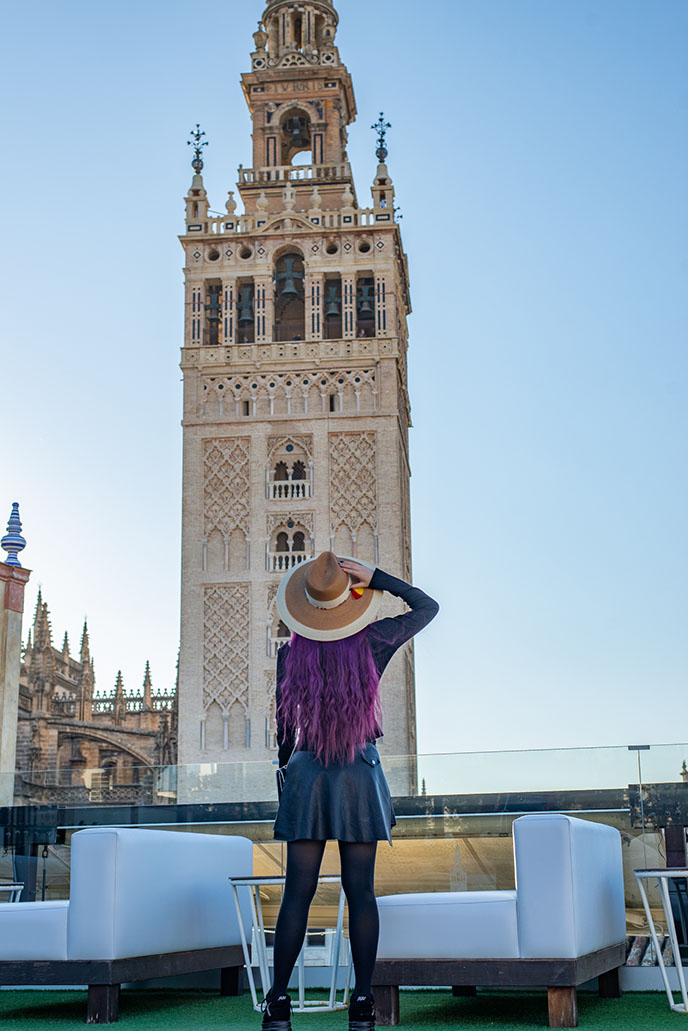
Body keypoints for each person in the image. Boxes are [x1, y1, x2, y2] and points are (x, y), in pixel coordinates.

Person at [261, 552, 439, 1031]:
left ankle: (278, 1003)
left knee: (297, 892)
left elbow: (283, 731)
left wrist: (287, 772)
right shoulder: (373, 642)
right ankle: (362, 1002)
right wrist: (377, 577)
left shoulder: (288, 654)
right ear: (349, 604)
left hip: (305, 772)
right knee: (359, 890)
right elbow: (427, 608)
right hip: (359, 771)